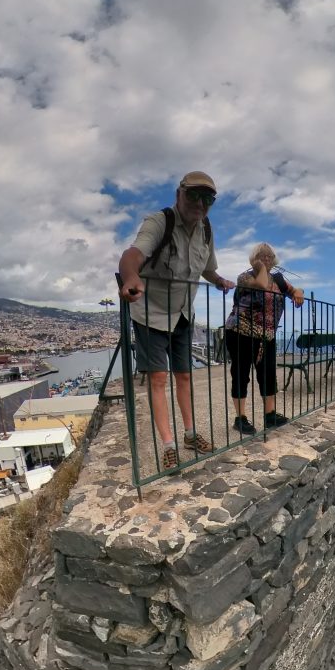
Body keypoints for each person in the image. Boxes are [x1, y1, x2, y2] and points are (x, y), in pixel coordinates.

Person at [118, 171, 235, 469]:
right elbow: (133, 254)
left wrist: (219, 280)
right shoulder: (160, 222)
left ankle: (190, 434)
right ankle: (169, 445)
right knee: (158, 379)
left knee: (184, 376)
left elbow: (207, 267)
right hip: (151, 314)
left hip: (183, 314)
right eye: (194, 194)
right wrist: (131, 276)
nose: (200, 203)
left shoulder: (206, 229)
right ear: (179, 193)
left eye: (208, 198)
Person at [224, 243, 304, 434]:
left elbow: (294, 290)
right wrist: (259, 268)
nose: (266, 259)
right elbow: (260, 285)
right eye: (261, 256)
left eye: (269, 256)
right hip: (241, 331)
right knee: (241, 374)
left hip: (266, 335)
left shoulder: (278, 279)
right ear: (254, 259)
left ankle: (270, 416)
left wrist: (297, 292)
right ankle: (240, 418)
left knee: (268, 374)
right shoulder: (245, 277)